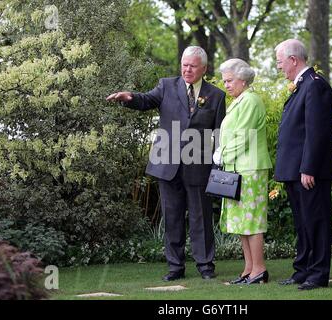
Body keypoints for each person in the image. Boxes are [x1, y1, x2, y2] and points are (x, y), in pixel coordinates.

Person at [106, 46, 226, 281]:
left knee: (201, 217)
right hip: (167, 165)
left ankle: (205, 266)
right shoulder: (166, 86)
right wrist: (129, 97)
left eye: (192, 65)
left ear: (204, 68)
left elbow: (220, 134)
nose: (187, 69)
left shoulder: (216, 95)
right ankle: (175, 267)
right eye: (184, 64)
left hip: (198, 166)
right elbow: (145, 100)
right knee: (172, 217)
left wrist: (217, 165)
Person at [274, 39, 332, 290]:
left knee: (317, 222)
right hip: (295, 170)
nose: (279, 67)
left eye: (280, 62)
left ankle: (318, 274)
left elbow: (317, 132)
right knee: (302, 223)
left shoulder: (315, 86)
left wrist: (308, 168)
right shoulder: (302, 86)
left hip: (309, 171)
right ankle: (302, 269)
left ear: (293, 60)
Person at [214, 58, 272, 284]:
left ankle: (259, 269)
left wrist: (222, 154)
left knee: (252, 219)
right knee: (241, 220)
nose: (226, 85)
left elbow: (244, 136)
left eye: (229, 80)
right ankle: (249, 268)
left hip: (251, 167)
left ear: (243, 79)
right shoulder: (240, 100)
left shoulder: (250, 100)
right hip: (239, 167)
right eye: (224, 81)